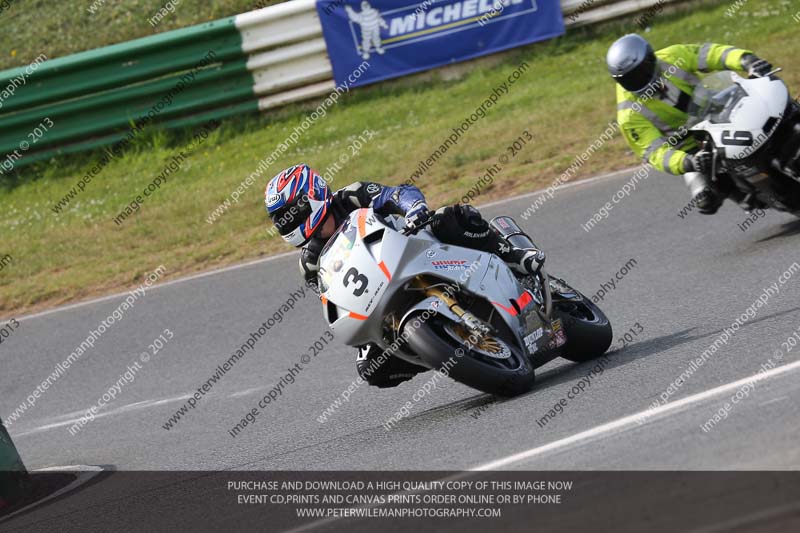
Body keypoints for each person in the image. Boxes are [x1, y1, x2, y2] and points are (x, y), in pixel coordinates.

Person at [265, 163, 545, 388]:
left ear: (312, 195)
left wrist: (413, 210)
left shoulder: (351, 196)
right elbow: (335, 297)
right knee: (371, 369)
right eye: (281, 219)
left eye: (291, 212)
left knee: (453, 217)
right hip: (381, 292)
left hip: (418, 245)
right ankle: (440, 348)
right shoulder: (310, 264)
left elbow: (395, 194)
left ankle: (513, 254)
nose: (288, 221)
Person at [607, 34, 773, 214]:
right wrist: (688, 162)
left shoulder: (673, 56)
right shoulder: (628, 115)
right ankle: (743, 195)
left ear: (650, 59)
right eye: (629, 79)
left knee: (772, 102)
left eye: (641, 73)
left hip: (722, 112)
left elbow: (711, 54)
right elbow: (655, 153)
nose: (638, 80)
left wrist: (746, 60)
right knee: (704, 200)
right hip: (694, 148)